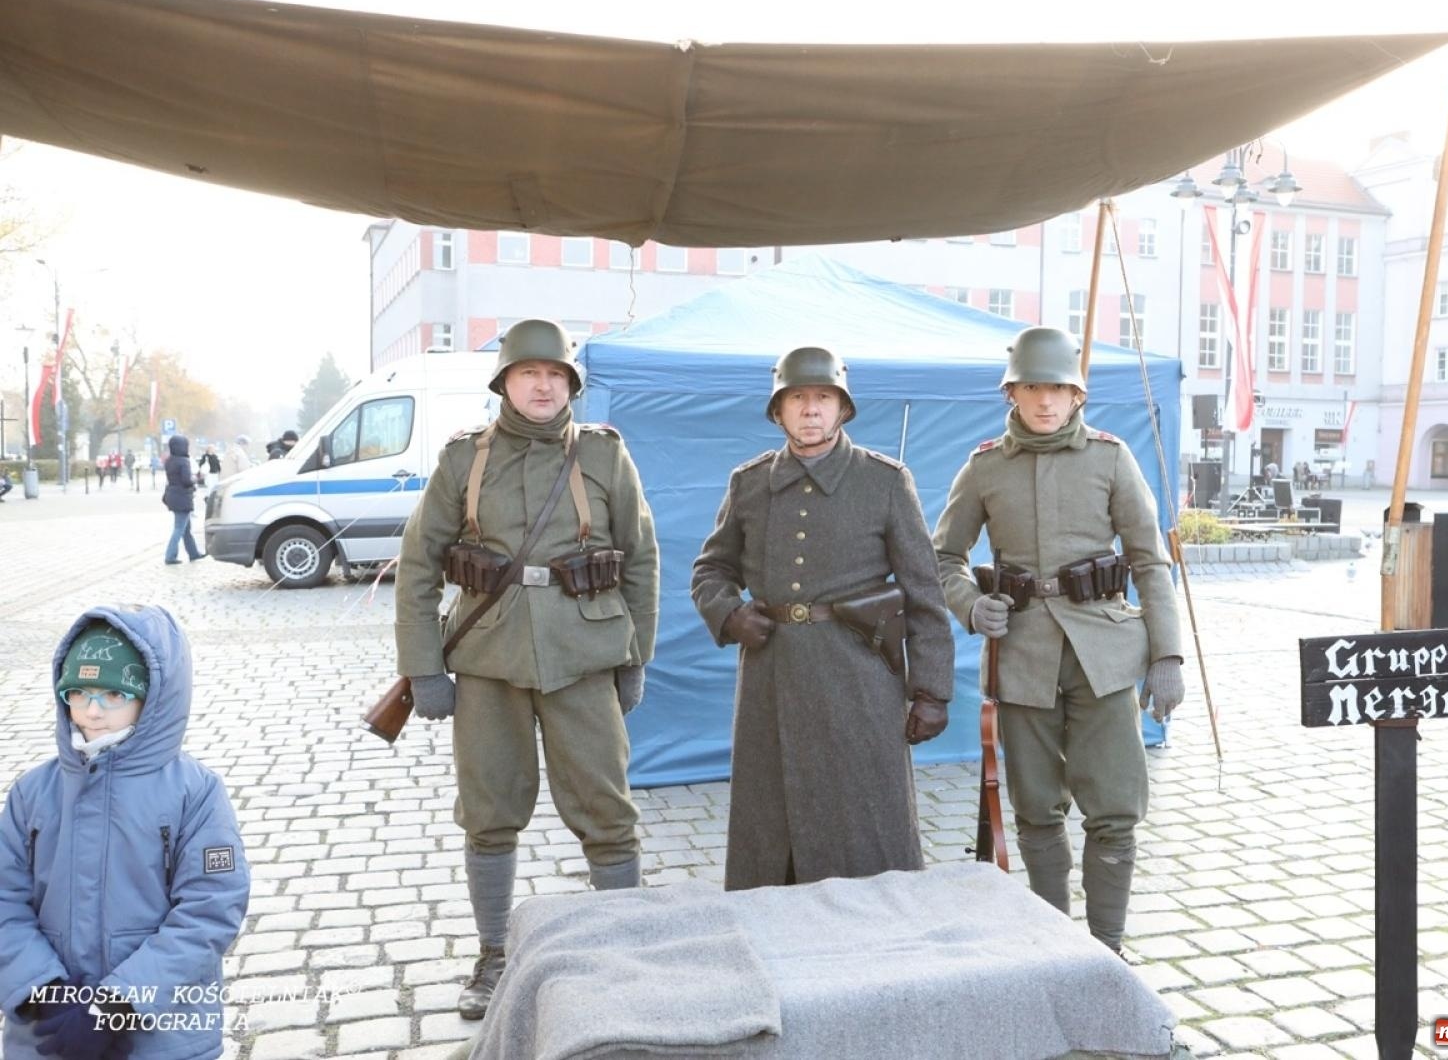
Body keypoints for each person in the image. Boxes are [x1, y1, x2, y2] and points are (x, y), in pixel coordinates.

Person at [394, 318, 660, 1020]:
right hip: (489, 661)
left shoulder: (604, 458)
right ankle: (492, 955)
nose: (543, 385)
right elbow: (419, 565)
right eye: (528, 374)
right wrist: (424, 667)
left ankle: (624, 947)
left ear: (570, 384)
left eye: (555, 375)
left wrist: (635, 658)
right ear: (505, 384)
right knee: (489, 815)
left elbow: (639, 558)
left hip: (584, 657)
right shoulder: (464, 460)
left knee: (607, 814)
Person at [930, 326, 1184, 955]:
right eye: (1033, 387)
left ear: (1078, 395)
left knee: (1115, 811)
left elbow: (1150, 562)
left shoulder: (1111, 457)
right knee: (1036, 810)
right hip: (1022, 656)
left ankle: (1106, 948)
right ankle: (1052, 949)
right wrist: (970, 604)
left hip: (1104, 655)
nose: (1045, 401)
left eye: (1059, 389)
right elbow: (943, 558)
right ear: (1012, 392)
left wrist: (1168, 655)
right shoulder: (985, 466)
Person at [691, 346, 955, 892]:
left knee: (867, 828)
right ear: (779, 411)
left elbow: (923, 592)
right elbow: (711, 568)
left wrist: (932, 691)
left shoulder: (884, 481)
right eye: (797, 398)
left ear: (842, 409)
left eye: (823, 398)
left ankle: (878, 943)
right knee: (772, 833)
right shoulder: (750, 483)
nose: (810, 410)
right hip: (772, 680)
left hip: (859, 681)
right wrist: (729, 615)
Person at [0, 605, 250, 1060]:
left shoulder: (194, 793)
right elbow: (4, 901)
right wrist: (43, 991)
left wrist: (118, 1004)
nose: (92, 712)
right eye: (78, 692)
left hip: (161, 1034)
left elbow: (210, 909)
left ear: (152, 696)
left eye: (113, 695)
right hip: (50, 1031)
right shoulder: (32, 793)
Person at [161, 436, 205, 564]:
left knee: (186, 528)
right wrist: (196, 479)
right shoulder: (183, 461)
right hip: (182, 497)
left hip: (172, 495)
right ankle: (170, 556)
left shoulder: (169, 460)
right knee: (179, 528)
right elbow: (186, 481)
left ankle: (193, 553)